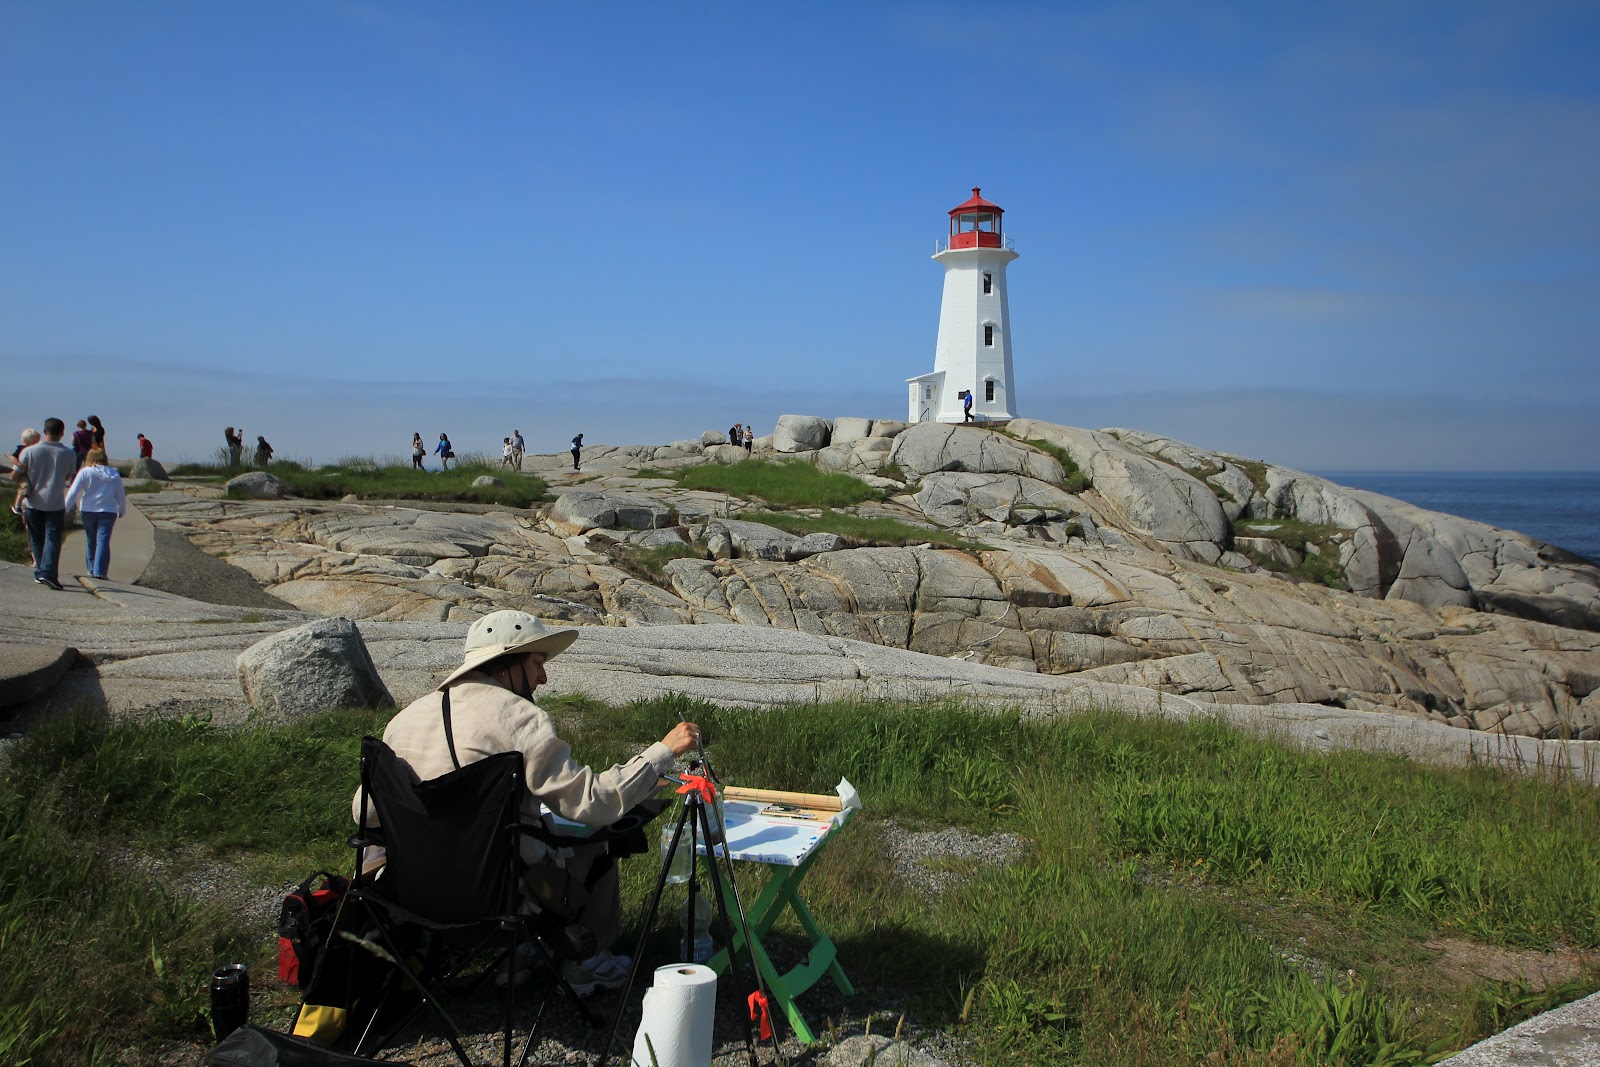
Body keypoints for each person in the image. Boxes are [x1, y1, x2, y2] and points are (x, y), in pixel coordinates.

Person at [352, 610, 701, 994]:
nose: (543, 678)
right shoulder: (518, 717)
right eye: (537, 663)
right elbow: (595, 801)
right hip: (497, 900)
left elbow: (363, 812)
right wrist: (661, 753)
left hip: (410, 895)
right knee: (601, 836)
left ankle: (518, 958)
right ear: (507, 661)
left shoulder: (404, 720)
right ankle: (587, 961)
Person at [10, 418, 76, 590]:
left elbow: (14, 476)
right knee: (53, 538)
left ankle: (40, 571)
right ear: (62, 432)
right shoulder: (69, 453)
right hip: (55, 501)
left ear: (44, 431)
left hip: (32, 501)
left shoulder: (30, 451)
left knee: (36, 538)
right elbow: (69, 476)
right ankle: (48, 573)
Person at [64, 447, 127, 580]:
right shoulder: (114, 474)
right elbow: (120, 494)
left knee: (91, 540)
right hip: (108, 511)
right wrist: (122, 510)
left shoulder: (85, 472)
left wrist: (66, 508)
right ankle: (100, 571)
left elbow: (73, 491)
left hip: (88, 510)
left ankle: (91, 569)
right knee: (103, 540)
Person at [10, 428, 40, 519]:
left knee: (28, 487)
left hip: (27, 472)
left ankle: (22, 503)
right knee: (25, 486)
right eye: (36, 441)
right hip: (22, 473)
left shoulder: (32, 450)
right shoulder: (22, 449)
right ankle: (17, 506)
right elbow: (12, 457)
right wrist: (20, 464)